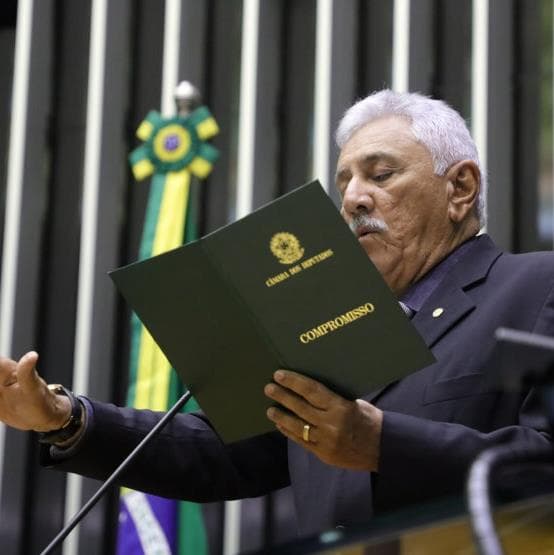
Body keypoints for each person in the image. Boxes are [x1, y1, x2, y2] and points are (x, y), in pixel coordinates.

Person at [0, 90, 552, 536]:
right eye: (345, 183)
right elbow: (224, 453)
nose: (353, 199)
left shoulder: (536, 285)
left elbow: (544, 463)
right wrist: (64, 417)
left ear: (460, 188)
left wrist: (381, 443)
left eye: (381, 175)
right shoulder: (334, 324)